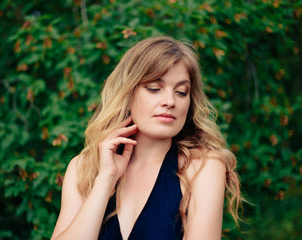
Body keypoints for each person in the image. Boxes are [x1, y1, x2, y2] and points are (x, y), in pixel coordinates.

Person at [51, 36, 242, 240]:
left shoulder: (203, 168)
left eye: (181, 92)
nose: (170, 101)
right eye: (154, 88)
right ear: (128, 93)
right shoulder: (83, 168)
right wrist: (105, 180)